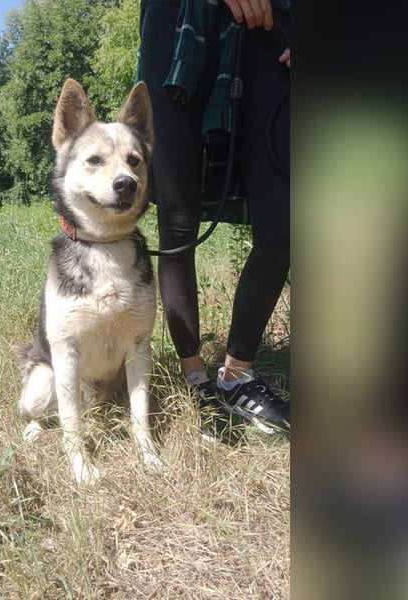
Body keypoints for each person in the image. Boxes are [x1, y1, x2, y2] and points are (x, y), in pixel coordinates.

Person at [138, 0, 290, 435]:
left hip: (276, 24)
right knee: (178, 219)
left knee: (284, 218)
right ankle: (195, 379)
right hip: (177, 18)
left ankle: (237, 375)